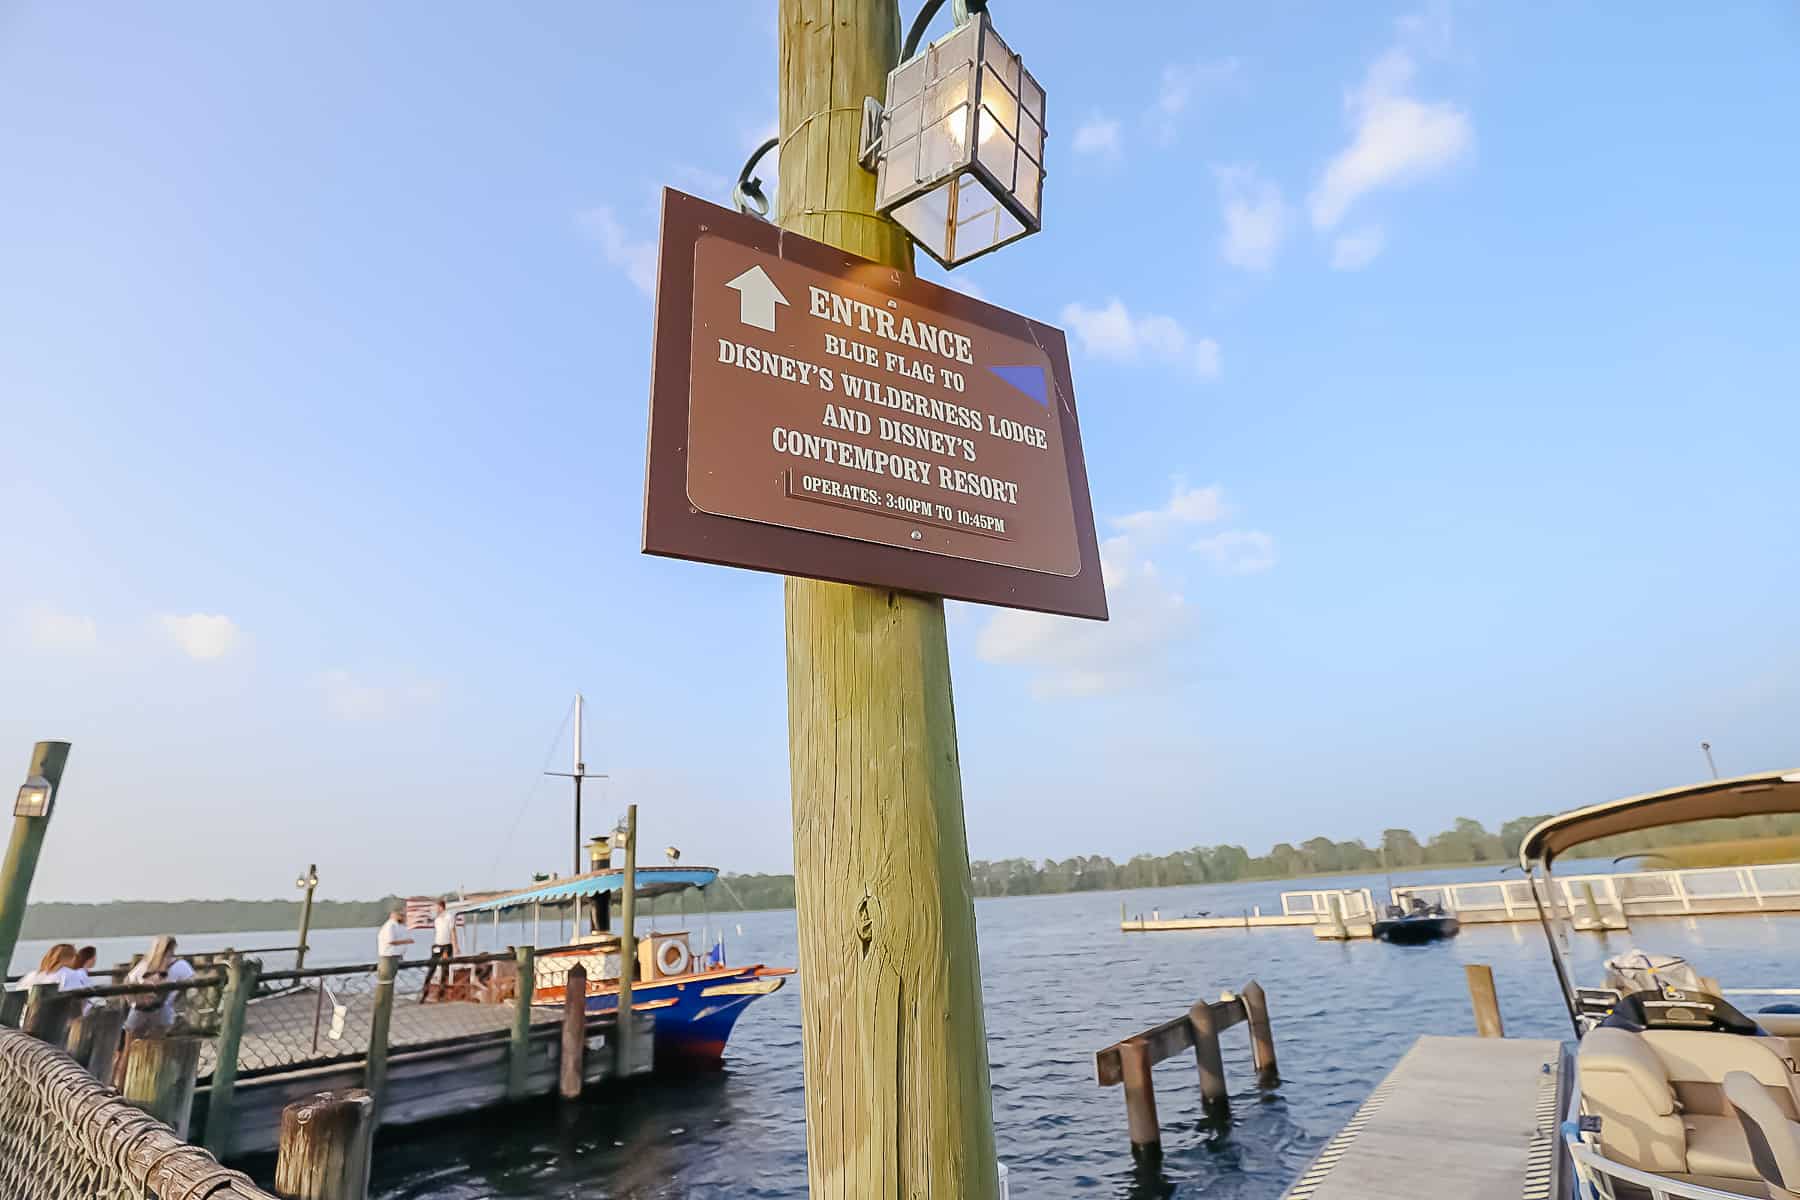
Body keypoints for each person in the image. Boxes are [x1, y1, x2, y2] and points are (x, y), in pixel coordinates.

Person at [122, 936, 195, 1036]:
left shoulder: (145, 964)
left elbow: (127, 981)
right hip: (163, 1013)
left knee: (131, 1044)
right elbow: (194, 988)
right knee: (159, 1044)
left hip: (138, 1013)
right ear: (173, 949)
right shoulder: (181, 965)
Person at [420, 899, 458, 1004]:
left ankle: (441, 995)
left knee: (445, 970)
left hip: (447, 945)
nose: (436, 910)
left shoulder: (449, 917)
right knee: (431, 969)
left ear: (441, 907)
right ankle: (424, 994)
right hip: (437, 946)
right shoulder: (437, 919)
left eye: (437, 907)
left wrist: (455, 946)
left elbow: (453, 931)